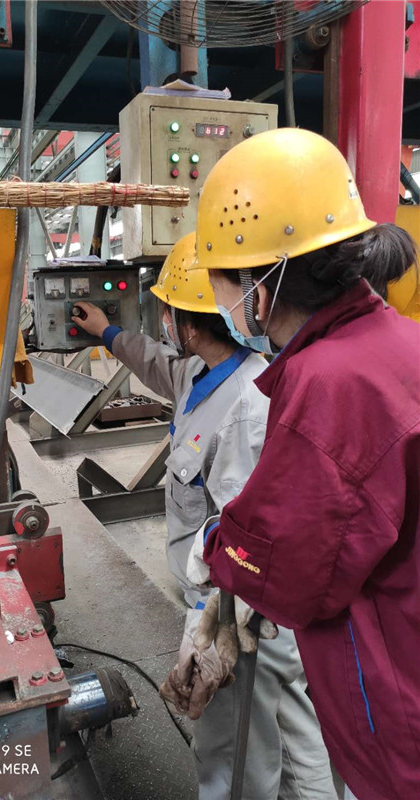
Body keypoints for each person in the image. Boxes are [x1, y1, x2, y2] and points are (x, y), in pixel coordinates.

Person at [187, 127, 420, 800]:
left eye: (222, 284)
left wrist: (216, 546)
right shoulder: (398, 340)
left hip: (396, 687)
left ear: (259, 291)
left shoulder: (327, 383)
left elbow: (289, 572)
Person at [71, 232, 336, 800]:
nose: (163, 324)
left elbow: (244, 532)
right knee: (293, 729)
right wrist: (108, 332)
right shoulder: (199, 374)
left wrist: (207, 624)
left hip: (236, 606)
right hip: (243, 601)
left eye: (166, 312)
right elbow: (154, 364)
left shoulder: (247, 405)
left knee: (231, 746)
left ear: (187, 326)